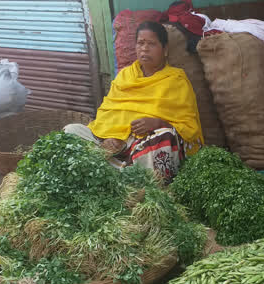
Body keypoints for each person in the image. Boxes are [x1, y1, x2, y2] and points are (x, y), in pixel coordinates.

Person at [65, 21, 203, 184]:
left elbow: (188, 127)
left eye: (151, 44)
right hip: (113, 144)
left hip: (144, 144)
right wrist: (110, 138)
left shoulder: (176, 80)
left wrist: (158, 122)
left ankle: (120, 174)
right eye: (140, 43)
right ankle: (121, 171)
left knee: (164, 138)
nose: (144, 48)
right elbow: (109, 112)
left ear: (165, 50)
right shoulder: (125, 76)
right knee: (71, 131)